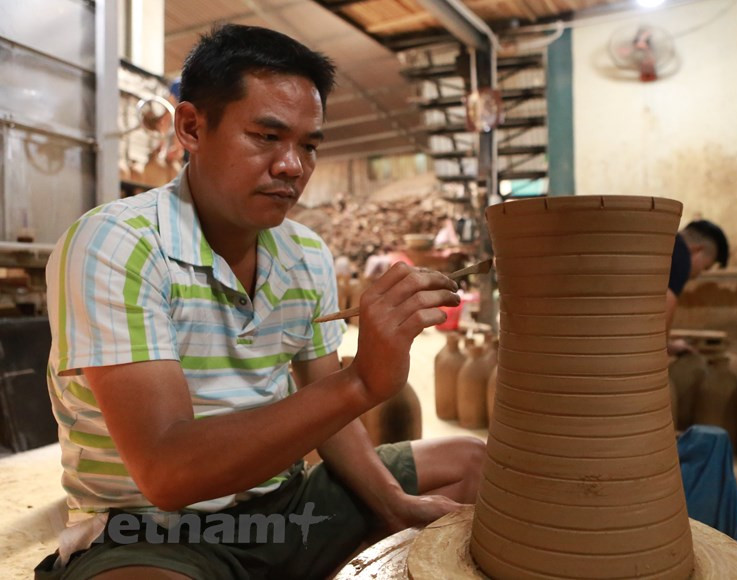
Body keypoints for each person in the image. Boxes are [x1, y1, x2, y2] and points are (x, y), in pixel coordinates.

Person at [37, 24, 484, 580]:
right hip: (153, 529)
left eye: (309, 145)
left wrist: (393, 501)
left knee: (475, 465)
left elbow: (327, 411)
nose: (292, 166)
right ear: (192, 128)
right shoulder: (116, 245)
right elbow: (167, 473)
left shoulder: (304, 253)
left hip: (284, 510)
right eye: (267, 137)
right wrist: (362, 381)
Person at [666, 219, 729, 355]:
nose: (700, 272)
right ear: (698, 250)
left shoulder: (668, 243)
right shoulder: (681, 254)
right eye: (706, 267)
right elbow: (668, 299)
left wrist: (669, 346)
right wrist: (664, 347)